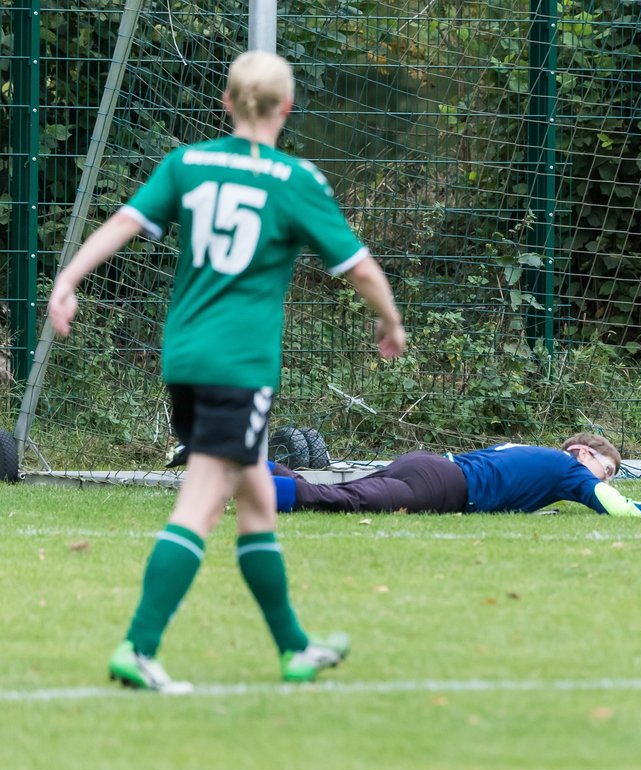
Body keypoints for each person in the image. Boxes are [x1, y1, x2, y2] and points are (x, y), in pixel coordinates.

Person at [48, 51, 407, 692]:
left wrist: (69, 277)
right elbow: (358, 266)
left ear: (226, 103)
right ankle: (139, 646)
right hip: (238, 370)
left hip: (183, 359)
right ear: (287, 109)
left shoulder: (187, 163)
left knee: (258, 501)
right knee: (203, 501)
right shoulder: (294, 180)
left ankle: (294, 649)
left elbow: (126, 223)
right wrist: (390, 321)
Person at [270, 433, 641, 517]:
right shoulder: (568, 468)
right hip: (443, 486)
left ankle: (263, 471)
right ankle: (260, 489)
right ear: (582, 452)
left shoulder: (533, 455)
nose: (606, 480)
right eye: (607, 470)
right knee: (346, 501)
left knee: (342, 491)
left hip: (427, 465)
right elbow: (614, 507)